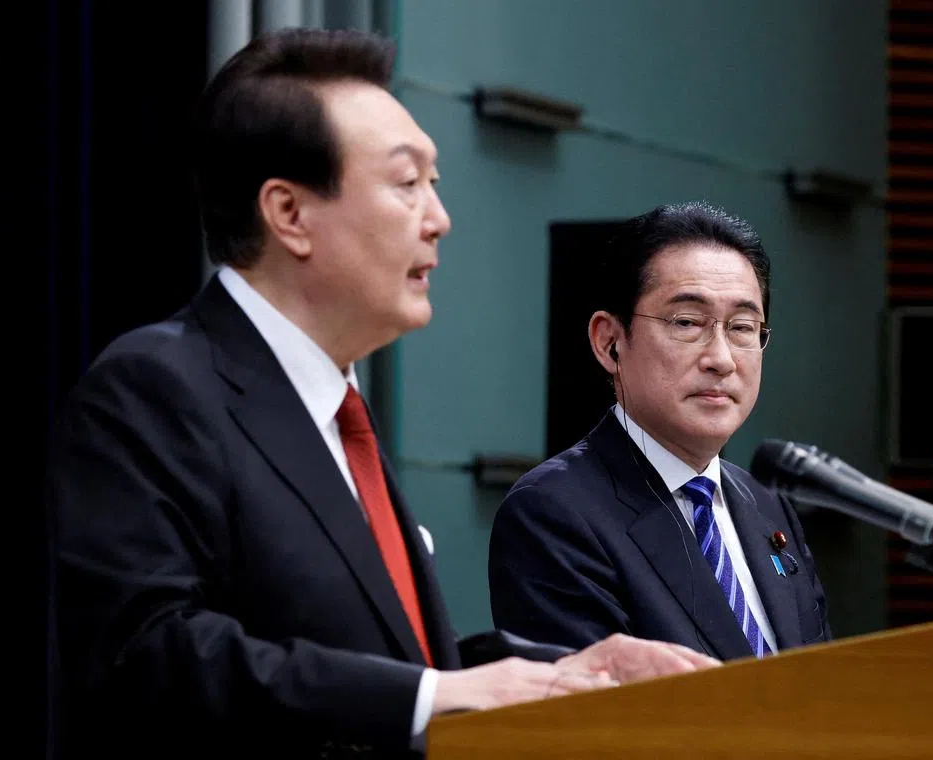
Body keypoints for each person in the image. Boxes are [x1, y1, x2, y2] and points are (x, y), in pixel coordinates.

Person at [44, 29, 718, 760]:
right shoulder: (155, 388)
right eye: (407, 184)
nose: (439, 218)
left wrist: (562, 673)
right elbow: (149, 654)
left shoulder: (339, 407)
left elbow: (374, 651)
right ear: (289, 213)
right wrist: (434, 699)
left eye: (434, 184)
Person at [488, 202, 831, 662]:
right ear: (610, 342)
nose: (722, 359)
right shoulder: (553, 513)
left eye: (743, 328)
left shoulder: (768, 507)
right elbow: (597, 718)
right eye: (687, 323)